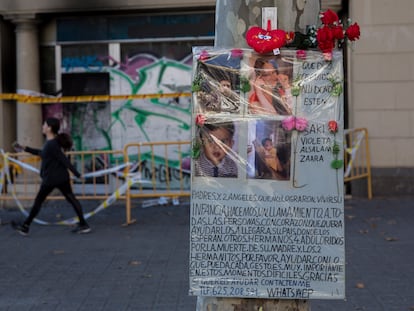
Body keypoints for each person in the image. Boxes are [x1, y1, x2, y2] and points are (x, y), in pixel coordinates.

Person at [11, 117, 91, 236]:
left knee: (38, 202)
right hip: (61, 178)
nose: (42, 126)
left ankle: (25, 226)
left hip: (51, 179)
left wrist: (78, 174)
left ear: (49, 128)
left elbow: (64, 160)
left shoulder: (52, 144)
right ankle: (83, 224)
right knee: (72, 199)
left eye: (44, 125)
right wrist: (24, 148)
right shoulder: (52, 143)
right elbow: (41, 153)